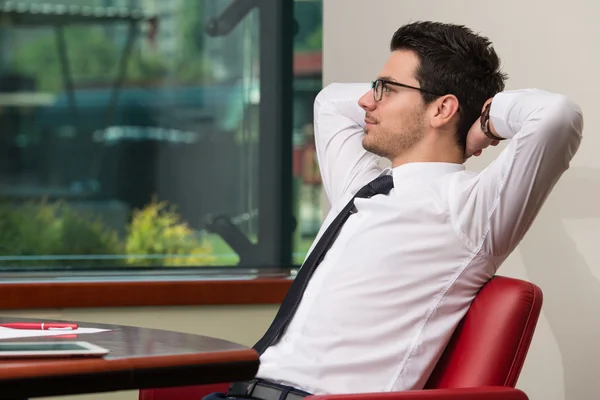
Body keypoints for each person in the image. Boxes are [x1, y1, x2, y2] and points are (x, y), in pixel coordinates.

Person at [205, 20, 583, 400]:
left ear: (442, 109)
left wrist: (485, 119)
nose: (366, 101)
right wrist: (415, 97)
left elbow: (556, 116)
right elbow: (330, 101)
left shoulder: (470, 209)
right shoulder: (358, 186)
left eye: (385, 89)